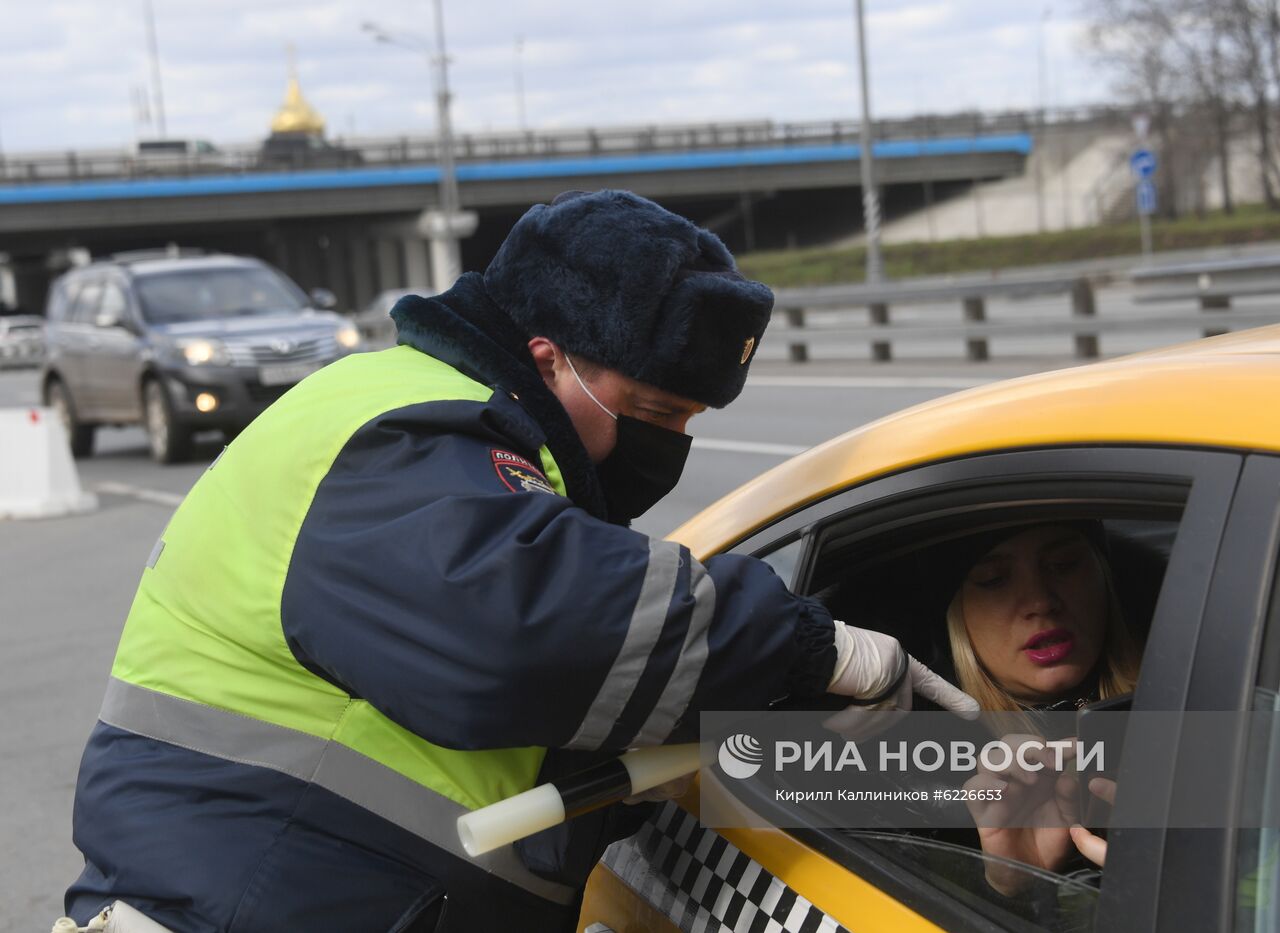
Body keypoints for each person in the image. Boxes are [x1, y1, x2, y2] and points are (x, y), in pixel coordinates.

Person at [63, 190, 970, 933]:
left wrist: (943, 763)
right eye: (653, 412)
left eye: (689, 421)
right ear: (549, 359)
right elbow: (527, 627)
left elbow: (540, 729)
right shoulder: (406, 432)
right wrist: (811, 647)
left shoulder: (460, 437)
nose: (668, 445)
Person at [931, 521, 1140, 897]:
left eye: (1064, 565)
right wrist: (1013, 886)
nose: (1041, 602)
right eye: (994, 579)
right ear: (955, 614)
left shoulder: (1210, 707)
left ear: (1104, 576)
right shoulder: (929, 778)